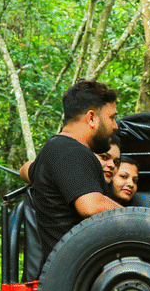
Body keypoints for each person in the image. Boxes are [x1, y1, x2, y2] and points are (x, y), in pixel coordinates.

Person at [20, 80, 122, 262]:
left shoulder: (55, 149)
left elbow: (25, 170)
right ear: (91, 118)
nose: (115, 126)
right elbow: (91, 206)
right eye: (112, 118)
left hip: (67, 271)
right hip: (77, 277)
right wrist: (146, 218)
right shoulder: (71, 151)